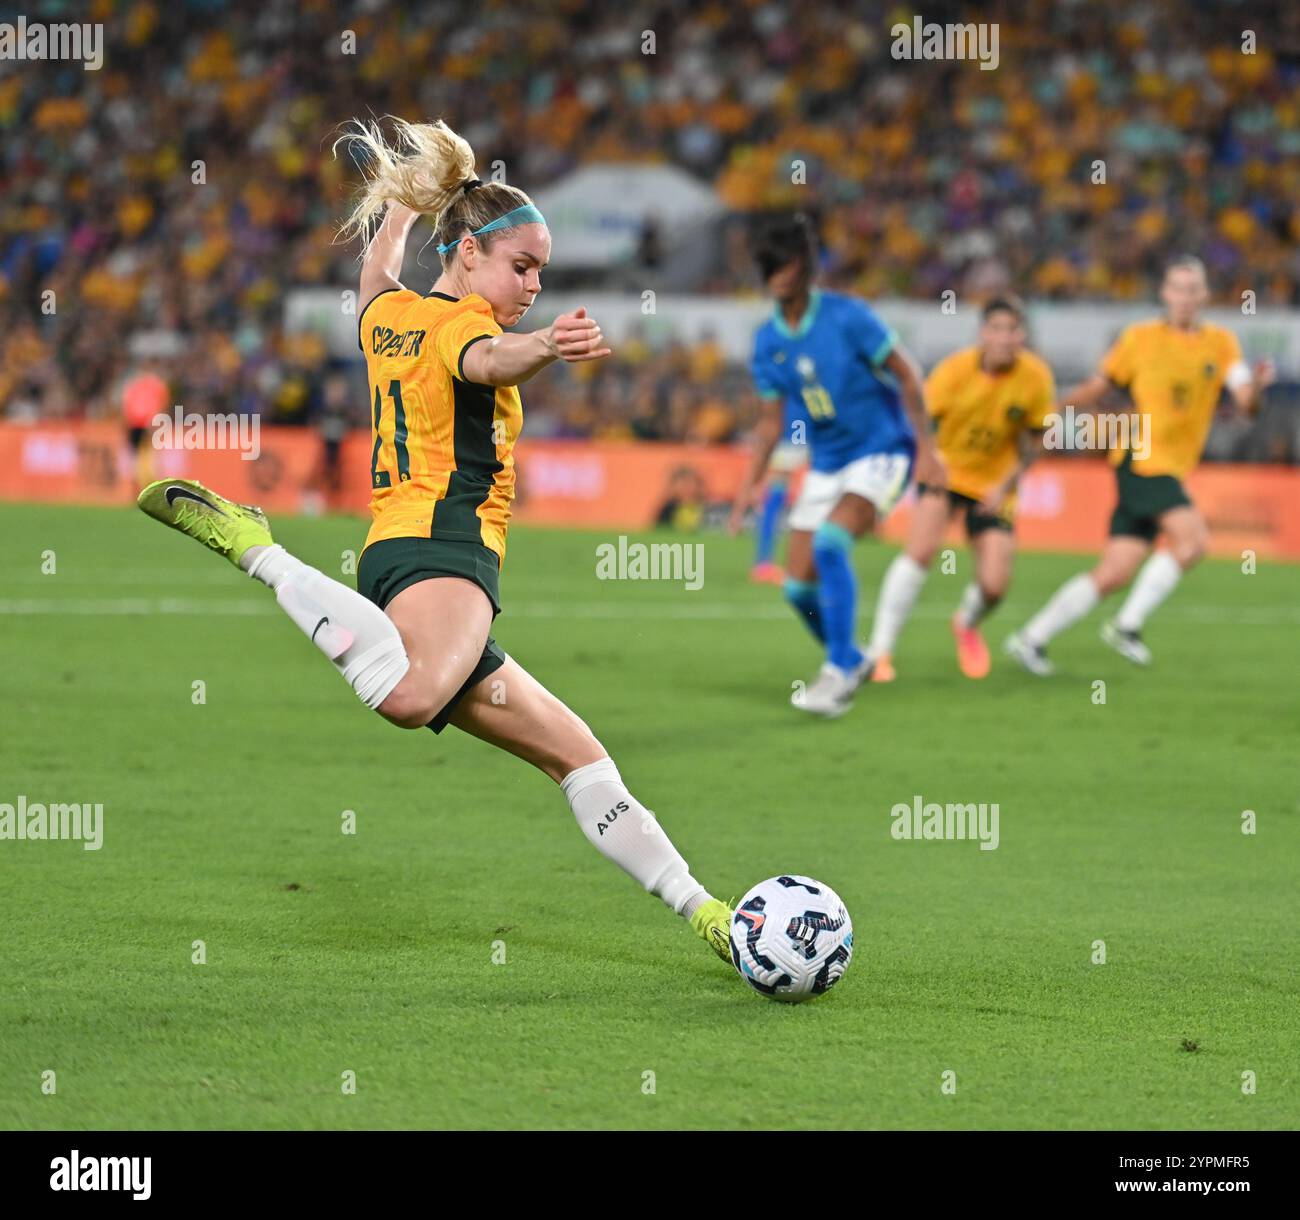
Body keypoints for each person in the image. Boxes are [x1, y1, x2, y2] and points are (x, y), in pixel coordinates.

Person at [136, 117, 734, 965]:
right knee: (411, 698)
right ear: (469, 258)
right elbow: (490, 361)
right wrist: (548, 347)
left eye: (542, 274)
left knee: (580, 758)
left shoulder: (390, 318)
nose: (532, 284)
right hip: (448, 551)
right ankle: (255, 548)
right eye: (521, 266)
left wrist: (402, 208)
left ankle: (708, 914)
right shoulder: (463, 328)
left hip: (397, 556)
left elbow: (374, 276)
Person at [1005, 256, 1274, 674]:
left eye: (1192, 289)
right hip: (1142, 456)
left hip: (1169, 465)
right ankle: (1126, 626)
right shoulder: (1139, 339)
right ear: (1164, 294)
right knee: (1192, 542)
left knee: (1113, 572)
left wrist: (1255, 387)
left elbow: (1245, 403)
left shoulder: (1221, 344)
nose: (1184, 297)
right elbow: (1099, 385)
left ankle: (1030, 639)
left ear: (1204, 295)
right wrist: (1051, 411)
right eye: (1176, 288)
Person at [729, 213, 944, 717]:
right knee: (796, 585)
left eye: (786, 263)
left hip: (882, 450)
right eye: (769, 265)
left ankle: (840, 671)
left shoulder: (850, 317)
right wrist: (747, 487)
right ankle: (851, 656)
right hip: (828, 462)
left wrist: (929, 451)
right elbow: (768, 424)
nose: (778, 274)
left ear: (806, 266)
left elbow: (908, 375)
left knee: (831, 542)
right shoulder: (768, 341)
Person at [866, 296, 1054, 680]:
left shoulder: (1036, 378)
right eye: (997, 329)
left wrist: (1005, 486)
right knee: (919, 552)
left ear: (1023, 335)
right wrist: (927, 460)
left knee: (995, 585)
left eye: (1013, 330)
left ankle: (967, 623)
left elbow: (1037, 440)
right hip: (946, 473)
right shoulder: (954, 371)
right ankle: (880, 651)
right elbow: (921, 420)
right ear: (983, 333)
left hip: (994, 487)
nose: (1005, 338)